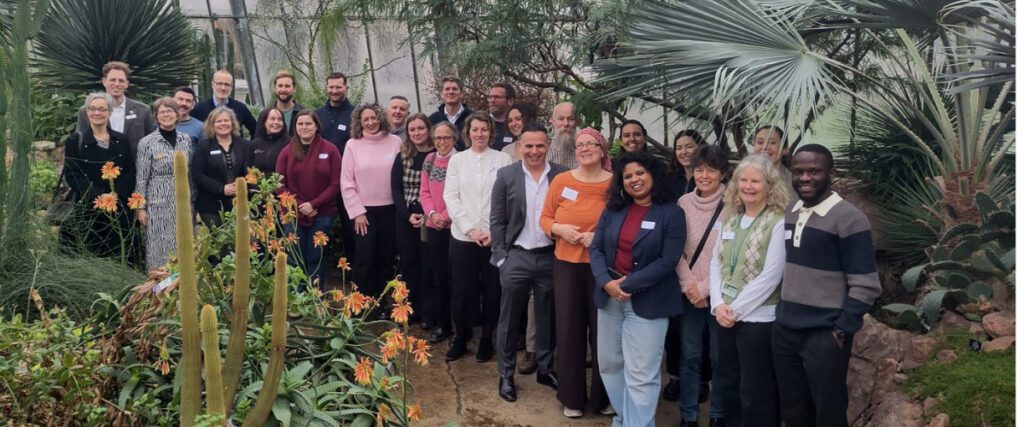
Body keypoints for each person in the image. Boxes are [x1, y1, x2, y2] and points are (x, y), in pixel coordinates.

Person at [773, 144, 882, 427]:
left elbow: (866, 284)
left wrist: (841, 329)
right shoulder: (792, 211)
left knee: (828, 411)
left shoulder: (849, 218)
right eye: (798, 172)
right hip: (785, 329)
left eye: (814, 171)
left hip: (824, 334)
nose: (804, 178)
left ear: (830, 173)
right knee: (794, 410)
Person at [590, 151, 685, 427]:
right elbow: (596, 248)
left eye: (640, 173)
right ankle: (624, 419)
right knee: (609, 364)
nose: (634, 180)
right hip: (610, 298)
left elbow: (669, 260)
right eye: (628, 176)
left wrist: (627, 284)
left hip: (648, 301)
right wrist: (605, 282)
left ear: (653, 174)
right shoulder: (613, 209)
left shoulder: (672, 213)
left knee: (642, 373)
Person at [539, 128, 614, 418]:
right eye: (580, 144)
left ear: (602, 148)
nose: (585, 148)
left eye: (591, 144)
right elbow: (544, 218)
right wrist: (559, 229)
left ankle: (602, 396)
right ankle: (572, 396)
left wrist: (601, 237)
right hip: (567, 264)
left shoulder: (614, 183)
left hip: (603, 268)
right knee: (569, 330)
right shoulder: (561, 180)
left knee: (603, 333)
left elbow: (624, 223)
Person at [709, 154, 787, 427]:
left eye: (756, 181)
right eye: (743, 180)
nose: (748, 186)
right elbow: (715, 263)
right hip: (724, 316)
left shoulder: (777, 222)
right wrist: (718, 304)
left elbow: (771, 276)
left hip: (758, 320)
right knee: (728, 382)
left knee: (756, 389)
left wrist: (735, 309)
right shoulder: (730, 219)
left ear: (769, 185)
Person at [490, 123, 566, 402]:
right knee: (509, 318)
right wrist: (501, 258)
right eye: (529, 146)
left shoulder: (561, 175)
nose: (534, 151)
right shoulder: (507, 174)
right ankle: (506, 374)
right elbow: (497, 219)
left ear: (548, 146)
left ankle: (545, 369)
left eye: (540, 146)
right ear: (520, 147)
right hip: (516, 257)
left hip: (550, 257)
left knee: (547, 317)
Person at [442, 112, 514, 361]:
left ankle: (486, 338)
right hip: (463, 237)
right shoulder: (458, 161)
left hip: (494, 239)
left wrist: (494, 232)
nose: (480, 134)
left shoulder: (503, 159)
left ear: (491, 132)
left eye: (484, 129)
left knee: (493, 290)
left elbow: (507, 199)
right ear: (468, 132)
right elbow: (451, 197)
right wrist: (471, 229)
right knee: (463, 291)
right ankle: (461, 337)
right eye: (475, 130)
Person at [674, 145, 730, 427]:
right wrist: (690, 287)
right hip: (690, 295)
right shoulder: (683, 203)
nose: (704, 175)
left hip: (721, 296)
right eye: (699, 169)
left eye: (711, 170)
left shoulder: (735, 203)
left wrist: (707, 289)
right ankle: (688, 415)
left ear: (723, 173)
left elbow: (730, 256)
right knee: (690, 356)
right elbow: (676, 250)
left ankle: (718, 415)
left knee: (720, 358)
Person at [62, 92, 139, 261]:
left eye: (102, 109)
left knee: (122, 254)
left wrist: (116, 193)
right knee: (91, 255)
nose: (97, 113)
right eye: (93, 109)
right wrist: (99, 195)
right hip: (89, 209)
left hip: (119, 209)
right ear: (87, 112)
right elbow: (73, 174)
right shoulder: (75, 141)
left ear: (110, 112)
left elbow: (129, 171)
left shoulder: (121, 140)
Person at [341, 104, 402, 301]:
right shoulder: (352, 144)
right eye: (366, 119)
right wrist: (357, 212)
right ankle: (361, 302)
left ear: (381, 118)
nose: (370, 122)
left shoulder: (395, 142)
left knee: (386, 258)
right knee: (364, 258)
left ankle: (383, 301)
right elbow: (347, 181)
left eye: (374, 118)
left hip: (390, 210)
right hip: (364, 212)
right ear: (359, 122)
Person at [275, 110, 342, 287]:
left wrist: (313, 204)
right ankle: (298, 298)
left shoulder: (330, 150)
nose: (304, 127)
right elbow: (279, 185)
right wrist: (298, 205)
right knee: (295, 256)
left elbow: (335, 184)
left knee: (315, 257)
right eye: (300, 124)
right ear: (295, 127)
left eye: (308, 124)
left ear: (316, 126)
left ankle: (316, 296)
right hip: (292, 214)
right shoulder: (287, 152)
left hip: (322, 213)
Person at [663, 128, 706, 402]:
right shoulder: (670, 181)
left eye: (689, 146)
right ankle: (676, 378)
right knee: (674, 329)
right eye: (679, 147)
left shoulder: (709, 180)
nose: (684, 152)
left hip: (702, 265)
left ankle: (702, 380)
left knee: (701, 333)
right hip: (674, 260)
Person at [135, 97, 194, 272]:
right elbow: (141, 177)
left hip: (182, 202)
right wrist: (140, 208)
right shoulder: (147, 143)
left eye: (170, 111)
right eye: (162, 111)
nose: (166, 114)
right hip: (157, 203)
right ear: (156, 116)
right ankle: (157, 291)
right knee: (157, 248)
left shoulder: (185, 140)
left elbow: (189, 172)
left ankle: (179, 289)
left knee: (181, 244)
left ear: (177, 115)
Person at [391, 113, 435, 328]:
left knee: (428, 265)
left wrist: (427, 215)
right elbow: (396, 189)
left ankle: (428, 312)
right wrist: (406, 215)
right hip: (406, 218)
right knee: (409, 265)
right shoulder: (403, 155)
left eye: (421, 129)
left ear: (428, 130)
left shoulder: (437, 154)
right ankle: (410, 309)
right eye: (412, 130)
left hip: (431, 218)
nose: (417, 133)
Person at [420, 122, 458, 345]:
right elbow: (424, 191)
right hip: (434, 226)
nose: (442, 142)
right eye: (438, 138)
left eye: (446, 138)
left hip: (454, 227)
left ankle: (460, 324)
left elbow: (462, 194)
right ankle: (443, 323)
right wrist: (433, 214)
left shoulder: (461, 160)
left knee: (457, 279)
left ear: (454, 139)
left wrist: (445, 215)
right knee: (439, 277)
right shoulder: (429, 160)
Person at [75, 61, 155, 158]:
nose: (117, 84)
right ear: (104, 82)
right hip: (98, 168)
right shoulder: (86, 112)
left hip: (134, 169)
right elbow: (79, 143)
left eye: (121, 80)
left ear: (126, 84)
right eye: (112, 80)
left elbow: (151, 144)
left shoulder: (143, 111)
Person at [316, 71, 356, 257]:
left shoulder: (355, 115)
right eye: (331, 87)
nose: (334, 90)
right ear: (326, 88)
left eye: (338, 87)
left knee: (350, 228)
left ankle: (351, 271)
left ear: (346, 88)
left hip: (347, 182)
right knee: (319, 227)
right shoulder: (318, 115)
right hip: (321, 182)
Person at [191, 107, 250, 228]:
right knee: (218, 244)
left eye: (226, 120)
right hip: (211, 205)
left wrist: (241, 186)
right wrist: (221, 188)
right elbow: (197, 174)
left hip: (240, 203)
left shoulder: (245, 145)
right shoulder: (204, 146)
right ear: (212, 125)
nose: (223, 124)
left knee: (240, 243)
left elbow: (251, 171)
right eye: (219, 121)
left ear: (232, 123)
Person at [192, 69, 258, 137]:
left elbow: (256, 130)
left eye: (227, 84)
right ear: (212, 84)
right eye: (219, 83)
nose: (223, 88)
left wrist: (249, 146)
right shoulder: (199, 108)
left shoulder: (241, 108)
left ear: (231, 87)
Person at [428, 76, 472, 150]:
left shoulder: (473, 118)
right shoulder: (432, 120)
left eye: (454, 89)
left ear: (462, 93)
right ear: (441, 94)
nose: (451, 92)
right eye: (447, 89)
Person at [752, 125, 795, 198]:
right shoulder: (742, 178)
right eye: (760, 142)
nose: (765, 147)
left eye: (772, 142)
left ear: (785, 149)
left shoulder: (793, 182)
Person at [246, 108, 289, 176]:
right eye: (272, 119)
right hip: (258, 185)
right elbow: (248, 171)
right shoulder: (254, 144)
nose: (276, 122)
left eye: (280, 119)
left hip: (283, 185)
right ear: (264, 122)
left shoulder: (290, 143)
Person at [268, 70, 304, 135]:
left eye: (287, 86)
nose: (283, 90)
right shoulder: (266, 115)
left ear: (294, 89)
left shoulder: (303, 113)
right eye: (280, 86)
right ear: (274, 89)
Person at [546, 102, 579, 168]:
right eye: (561, 119)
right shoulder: (545, 151)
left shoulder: (584, 150)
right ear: (552, 121)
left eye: (571, 119)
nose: (566, 123)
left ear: (577, 122)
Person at [488, 82, 517, 151]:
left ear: (510, 101)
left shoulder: (517, 126)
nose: (492, 100)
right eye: (490, 97)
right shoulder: (482, 125)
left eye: (496, 97)